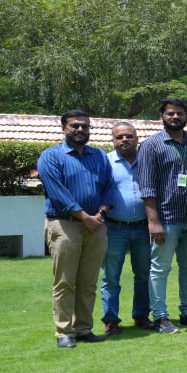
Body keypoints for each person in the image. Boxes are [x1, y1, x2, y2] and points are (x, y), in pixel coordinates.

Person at [37, 110, 113, 348]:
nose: (81, 130)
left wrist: (98, 215)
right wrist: (83, 216)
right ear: (64, 128)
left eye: (85, 126)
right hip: (64, 225)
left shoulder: (99, 156)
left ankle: (83, 328)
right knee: (65, 282)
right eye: (75, 126)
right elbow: (57, 192)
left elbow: (110, 187)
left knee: (88, 282)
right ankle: (63, 332)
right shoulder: (51, 157)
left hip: (96, 226)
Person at [137, 97, 187, 334]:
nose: (175, 117)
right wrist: (153, 221)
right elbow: (147, 186)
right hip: (165, 218)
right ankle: (160, 316)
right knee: (160, 269)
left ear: (186, 116)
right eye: (170, 113)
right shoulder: (151, 145)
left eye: (180, 114)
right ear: (162, 116)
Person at [99, 122, 151, 336]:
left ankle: (141, 315)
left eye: (129, 136)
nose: (124, 140)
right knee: (111, 276)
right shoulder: (106, 162)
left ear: (137, 138)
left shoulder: (147, 161)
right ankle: (111, 320)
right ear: (113, 140)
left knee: (144, 274)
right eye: (119, 137)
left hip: (143, 228)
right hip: (114, 227)